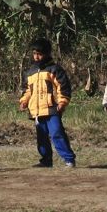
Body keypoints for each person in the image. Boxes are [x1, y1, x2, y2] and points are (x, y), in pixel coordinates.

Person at [19, 37, 77, 168]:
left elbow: (63, 87)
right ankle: (46, 161)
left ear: (47, 53)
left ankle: (69, 159)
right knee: (42, 138)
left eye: (39, 54)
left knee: (57, 133)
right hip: (37, 111)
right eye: (34, 53)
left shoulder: (54, 69)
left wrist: (62, 102)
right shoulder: (30, 72)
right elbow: (27, 90)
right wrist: (24, 101)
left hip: (52, 109)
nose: (36, 57)